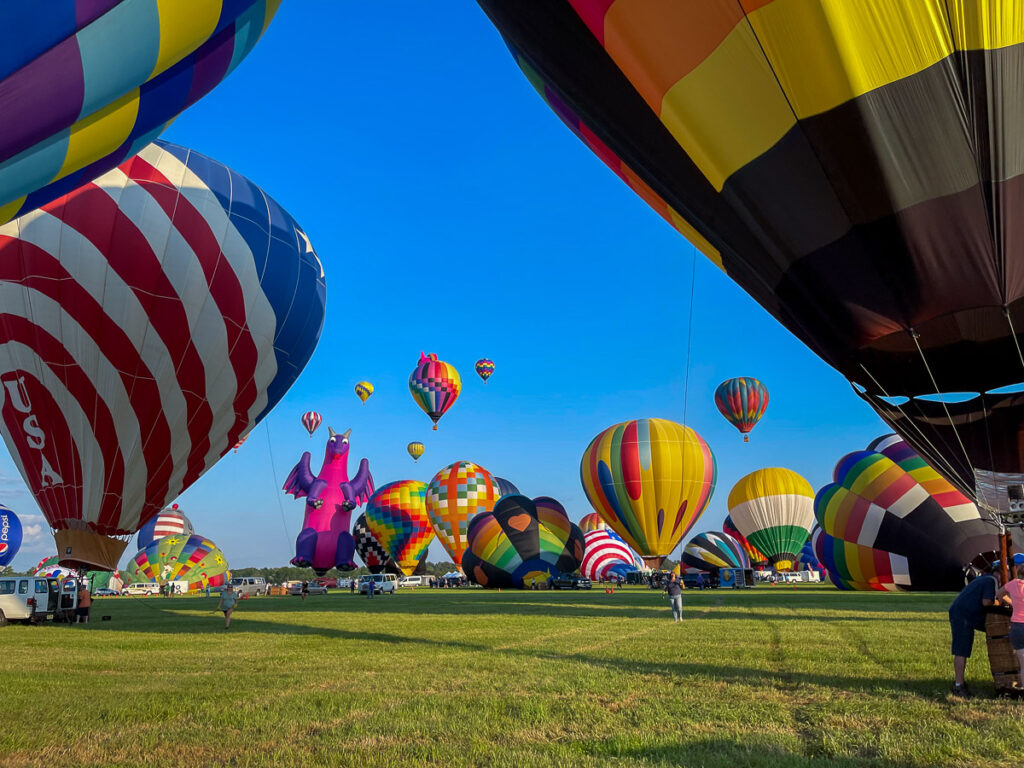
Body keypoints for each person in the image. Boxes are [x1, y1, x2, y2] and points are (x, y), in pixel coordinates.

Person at [948, 565, 1000, 697]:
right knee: (962, 649)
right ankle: (958, 686)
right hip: (963, 615)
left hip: (965, 613)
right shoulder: (991, 581)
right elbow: (987, 602)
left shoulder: (985, 578)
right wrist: (1002, 602)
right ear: (999, 573)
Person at [995, 563, 1024, 691]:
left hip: (1017, 627)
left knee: (1023, 665)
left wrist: (1011, 602)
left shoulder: (1014, 584)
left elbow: (999, 594)